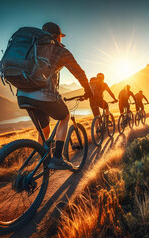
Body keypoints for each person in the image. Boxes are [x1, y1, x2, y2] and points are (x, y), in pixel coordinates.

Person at [16, 22, 93, 170]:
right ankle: (57, 158)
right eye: (61, 37)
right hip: (44, 94)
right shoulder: (60, 50)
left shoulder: (32, 47)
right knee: (65, 116)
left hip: (22, 94)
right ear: (58, 36)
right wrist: (88, 90)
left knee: (44, 131)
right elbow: (79, 72)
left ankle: (44, 160)